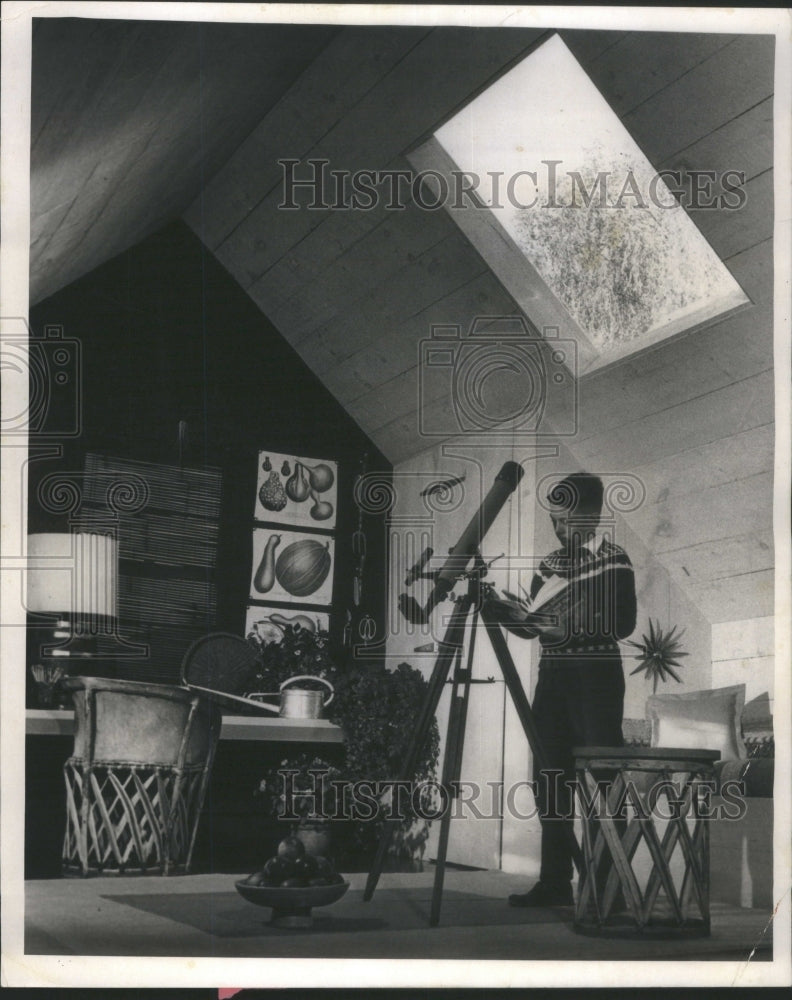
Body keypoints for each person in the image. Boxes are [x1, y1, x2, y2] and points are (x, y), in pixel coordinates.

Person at [489, 471, 637, 907]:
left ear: (591, 517)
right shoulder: (549, 564)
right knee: (548, 779)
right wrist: (507, 614)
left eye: (566, 520)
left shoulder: (616, 558)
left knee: (603, 778)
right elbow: (533, 630)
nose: (558, 529)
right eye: (554, 520)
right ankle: (555, 883)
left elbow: (623, 623)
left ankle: (611, 890)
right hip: (552, 678)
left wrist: (569, 621)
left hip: (595, 678)